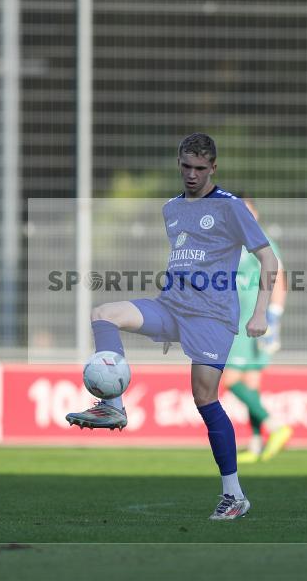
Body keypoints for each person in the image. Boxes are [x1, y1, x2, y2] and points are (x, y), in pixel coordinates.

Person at [66, 133, 278, 521]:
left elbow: (268, 260)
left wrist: (261, 312)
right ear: (178, 163)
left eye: (200, 168)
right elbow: (185, 260)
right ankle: (113, 407)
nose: (192, 174)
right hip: (172, 308)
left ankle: (234, 495)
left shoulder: (231, 208)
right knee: (104, 313)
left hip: (213, 316)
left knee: (203, 397)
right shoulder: (171, 209)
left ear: (213, 168)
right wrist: (169, 325)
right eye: (186, 166)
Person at [221, 196, 292, 463]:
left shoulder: (259, 242)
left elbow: (279, 280)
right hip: (241, 321)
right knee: (251, 384)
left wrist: (273, 318)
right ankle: (255, 444)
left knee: (230, 381)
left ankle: (276, 427)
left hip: (250, 322)